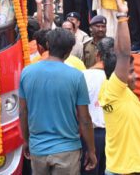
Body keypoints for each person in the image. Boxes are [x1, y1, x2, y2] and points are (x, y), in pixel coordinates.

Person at [20, 28, 97, 174]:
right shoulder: (76, 76)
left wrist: (26, 140)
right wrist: (91, 150)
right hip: (67, 151)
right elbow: (85, 119)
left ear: (47, 44)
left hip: (38, 148)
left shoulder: (27, 72)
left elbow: (23, 112)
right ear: (69, 51)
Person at [98, 0, 140, 175]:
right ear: (118, 73)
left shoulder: (123, 94)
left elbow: (119, 52)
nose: (135, 75)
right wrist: (122, 17)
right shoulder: (113, 90)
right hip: (124, 171)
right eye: (131, 72)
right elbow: (123, 53)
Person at [82, 38, 112, 175]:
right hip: (112, 135)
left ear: (97, 54)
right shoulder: (119, 78)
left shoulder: (83, 76)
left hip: (89, 135)